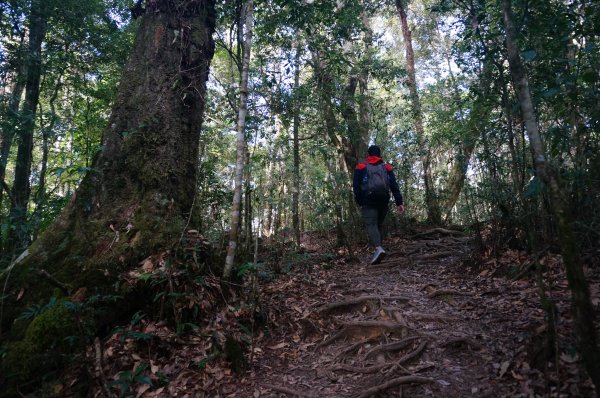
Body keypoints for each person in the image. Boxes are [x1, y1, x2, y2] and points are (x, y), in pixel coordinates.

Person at [352, 145, 405, 264]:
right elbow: (394, 185)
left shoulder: (361, 167)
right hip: (383, 199)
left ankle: (378, 248)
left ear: (368, 154)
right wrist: (399, 202)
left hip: (368, 200)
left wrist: (360, 201)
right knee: (378, 225)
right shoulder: (386, 167)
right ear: (379, 154)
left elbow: (356, 187)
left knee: (371, 224)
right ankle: (379, 251)